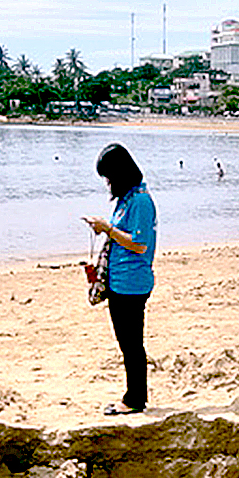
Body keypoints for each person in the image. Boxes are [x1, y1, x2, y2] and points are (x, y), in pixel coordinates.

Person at [83, 142, 155, 416]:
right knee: (127, 342)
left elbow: (140, 244)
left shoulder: (140, 201)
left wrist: (108, 229)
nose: (108, 182)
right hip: (120, 279)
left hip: (132, 282)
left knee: (131, 343)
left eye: (109, 176)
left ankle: (135, 398)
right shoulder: (128, 199)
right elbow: (122, 236)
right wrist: (104, 229)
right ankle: (134, 395)